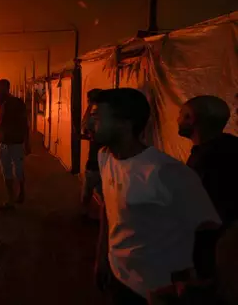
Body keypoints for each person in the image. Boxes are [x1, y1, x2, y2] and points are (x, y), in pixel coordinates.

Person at [91, 88, 221, 304]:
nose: (88, 124)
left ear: (125, 124)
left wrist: (191, 285)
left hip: (156, 289)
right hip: (118, 277)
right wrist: (102, 257)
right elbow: (108, 207)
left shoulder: (166, 172)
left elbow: (210, 230)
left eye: (96, 118)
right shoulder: (106, 157)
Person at [178, 95, 238, 226]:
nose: (177, 120)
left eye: (181, 115)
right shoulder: (224, 147)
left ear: (191, 118)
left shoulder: (213, 157)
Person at [0, 79, 30, 210]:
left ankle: (19, 194)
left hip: (15, 142)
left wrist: (27, 142)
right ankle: (12, 199)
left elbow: (24, 123)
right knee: (8, 171)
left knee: (15, 170)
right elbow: (2, 123)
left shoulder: (16, 103)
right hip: (5, 142)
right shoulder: (3, 103)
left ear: (6, 88)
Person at [80, 88, 104, 221]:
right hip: (105, 159)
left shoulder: (94, 114)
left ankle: (85, 212)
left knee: (88, 188)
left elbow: (84, 127)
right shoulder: (107, 114)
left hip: (96, 159)